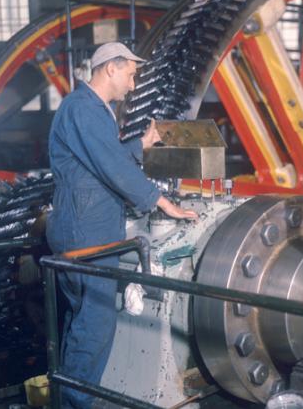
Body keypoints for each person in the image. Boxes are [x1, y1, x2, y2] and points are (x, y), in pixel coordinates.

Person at [46, 42, 197, 408]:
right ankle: (77, 403)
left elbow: (102, 158)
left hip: (85, 227)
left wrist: (142, 143)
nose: (133, 85)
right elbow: (112, 169)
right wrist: (163, 203)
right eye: (130, 75)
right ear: (110, 68)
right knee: (94, 327)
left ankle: (68, 400)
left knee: (81, 324)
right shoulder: (83, 109)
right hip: (87, 233)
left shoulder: (91, 110)